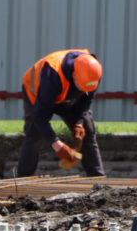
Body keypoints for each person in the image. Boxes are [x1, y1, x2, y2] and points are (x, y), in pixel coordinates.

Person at [17, 49, 105, 177]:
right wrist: (57, 144)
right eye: (82, 87)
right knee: (34, 133)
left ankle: (97, 178)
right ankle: (22, 180)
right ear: (74, 75)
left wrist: (79, 123)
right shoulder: (52, 74)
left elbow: (86, 101)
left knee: (88, 130)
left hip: (66, 95)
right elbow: (40, 116)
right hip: (38, 95)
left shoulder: (93, 72)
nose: (84, 90)